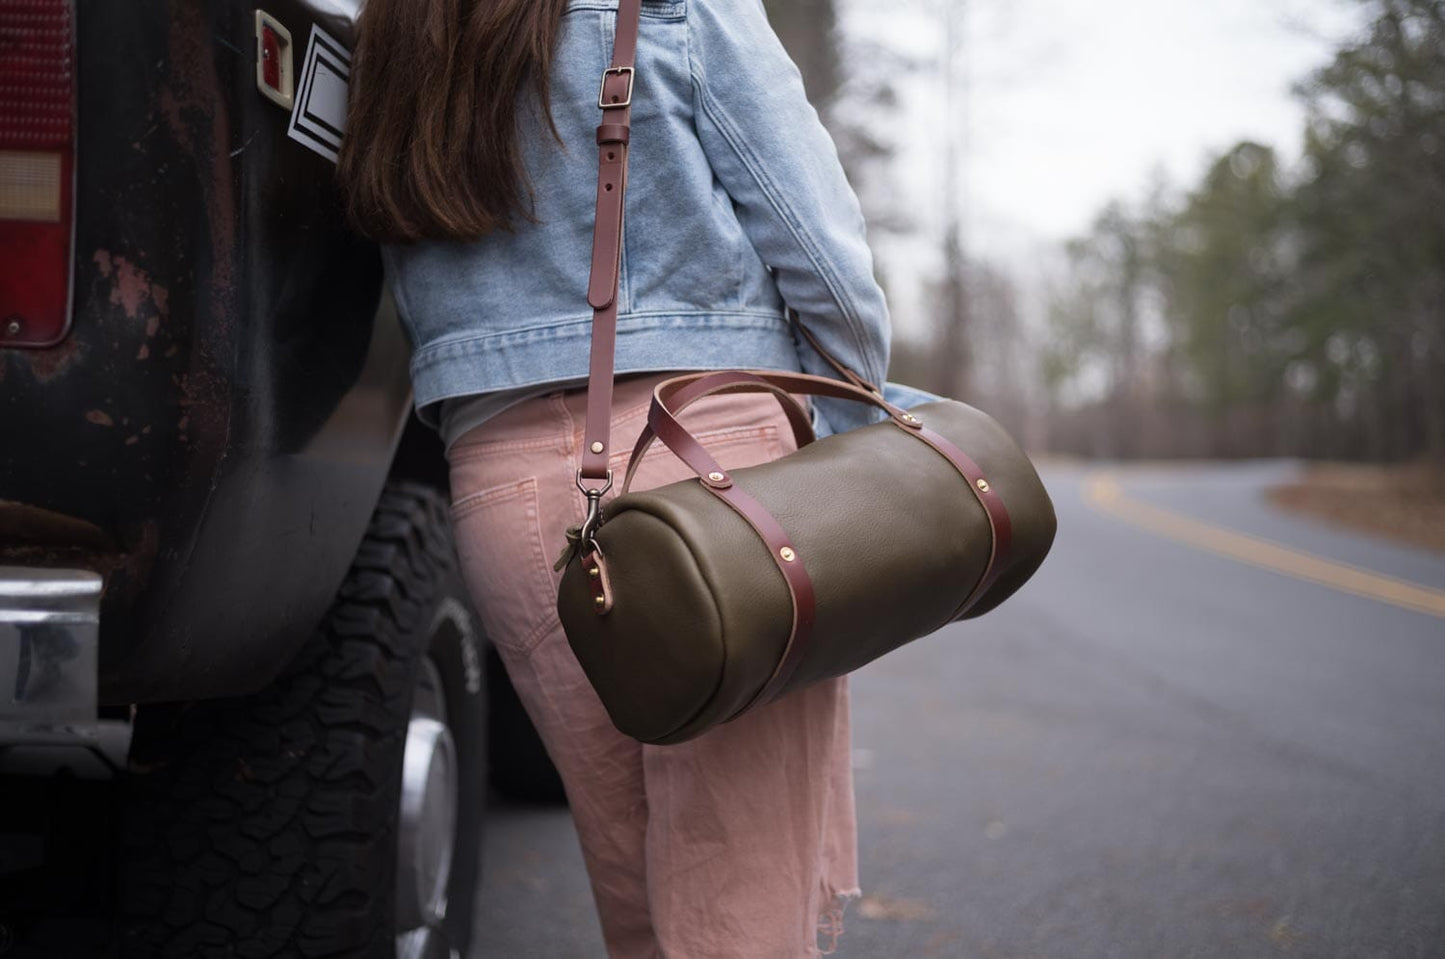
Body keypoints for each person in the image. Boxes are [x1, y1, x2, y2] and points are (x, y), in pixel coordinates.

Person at [339, 0, 926, 954]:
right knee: (740, 909)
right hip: (708, 464)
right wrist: (858, 441)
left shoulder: (399, 26)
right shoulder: (671, 9)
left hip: (503, 493)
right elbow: (818, 249)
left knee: (645, 907)